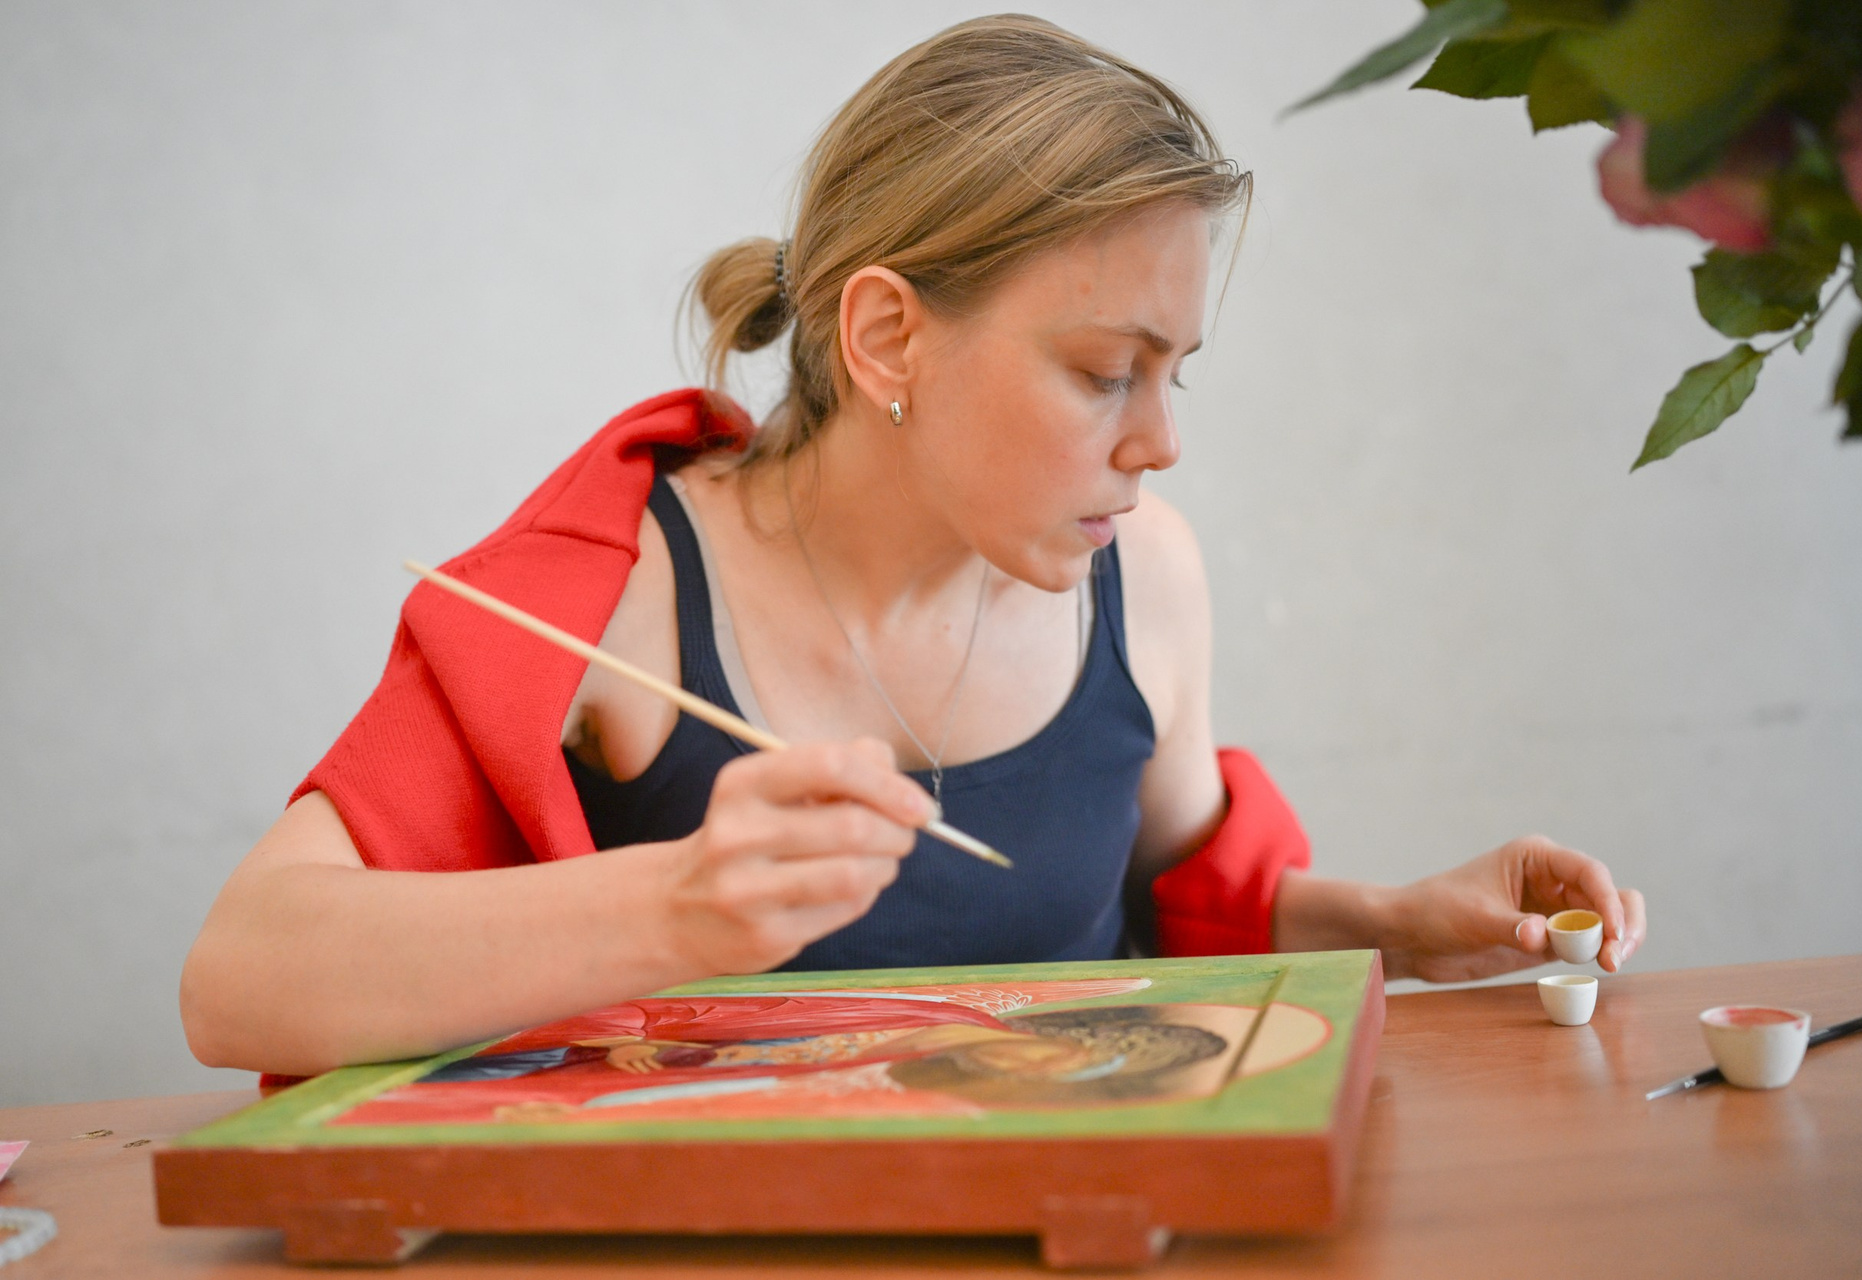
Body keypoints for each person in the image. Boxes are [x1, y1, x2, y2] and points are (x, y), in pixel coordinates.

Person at [179, 15, 1647, 1080]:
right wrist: (675, 907)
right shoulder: (613, 593)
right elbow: (240, 978)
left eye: (1174, 374)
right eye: (1104, 372)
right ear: (888, 335)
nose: (1159, 443)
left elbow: (1185, 903)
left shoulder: (1147, 580)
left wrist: (1397, 923)